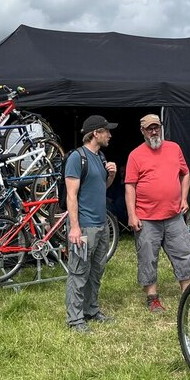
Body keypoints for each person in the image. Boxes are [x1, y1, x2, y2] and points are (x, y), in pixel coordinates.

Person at [124, 113, 190, 313]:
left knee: (183, 253)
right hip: (146, 217)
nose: (154, 131)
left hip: (174, 215)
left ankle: (189, 293)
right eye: (149, 128)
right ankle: (152, 297)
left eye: (156, 127)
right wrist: (132, 214)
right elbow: (130, 186)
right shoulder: (135, 155)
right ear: (142, 131)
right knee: (148, 258)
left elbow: (185, 173)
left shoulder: (174, 149)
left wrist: (183, 198)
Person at [64, 114, 118, 333]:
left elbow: (99, 189)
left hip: (101, 225)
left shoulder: (100, 156)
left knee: (96, 271)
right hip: (84, 226)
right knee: (78, 273)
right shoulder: (77, 158)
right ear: (96, 133)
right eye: (106, 131)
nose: (110, 135)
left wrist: (111, 176)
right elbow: (71, 195)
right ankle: (75, 320)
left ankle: (91, 310)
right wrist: (75, 227)